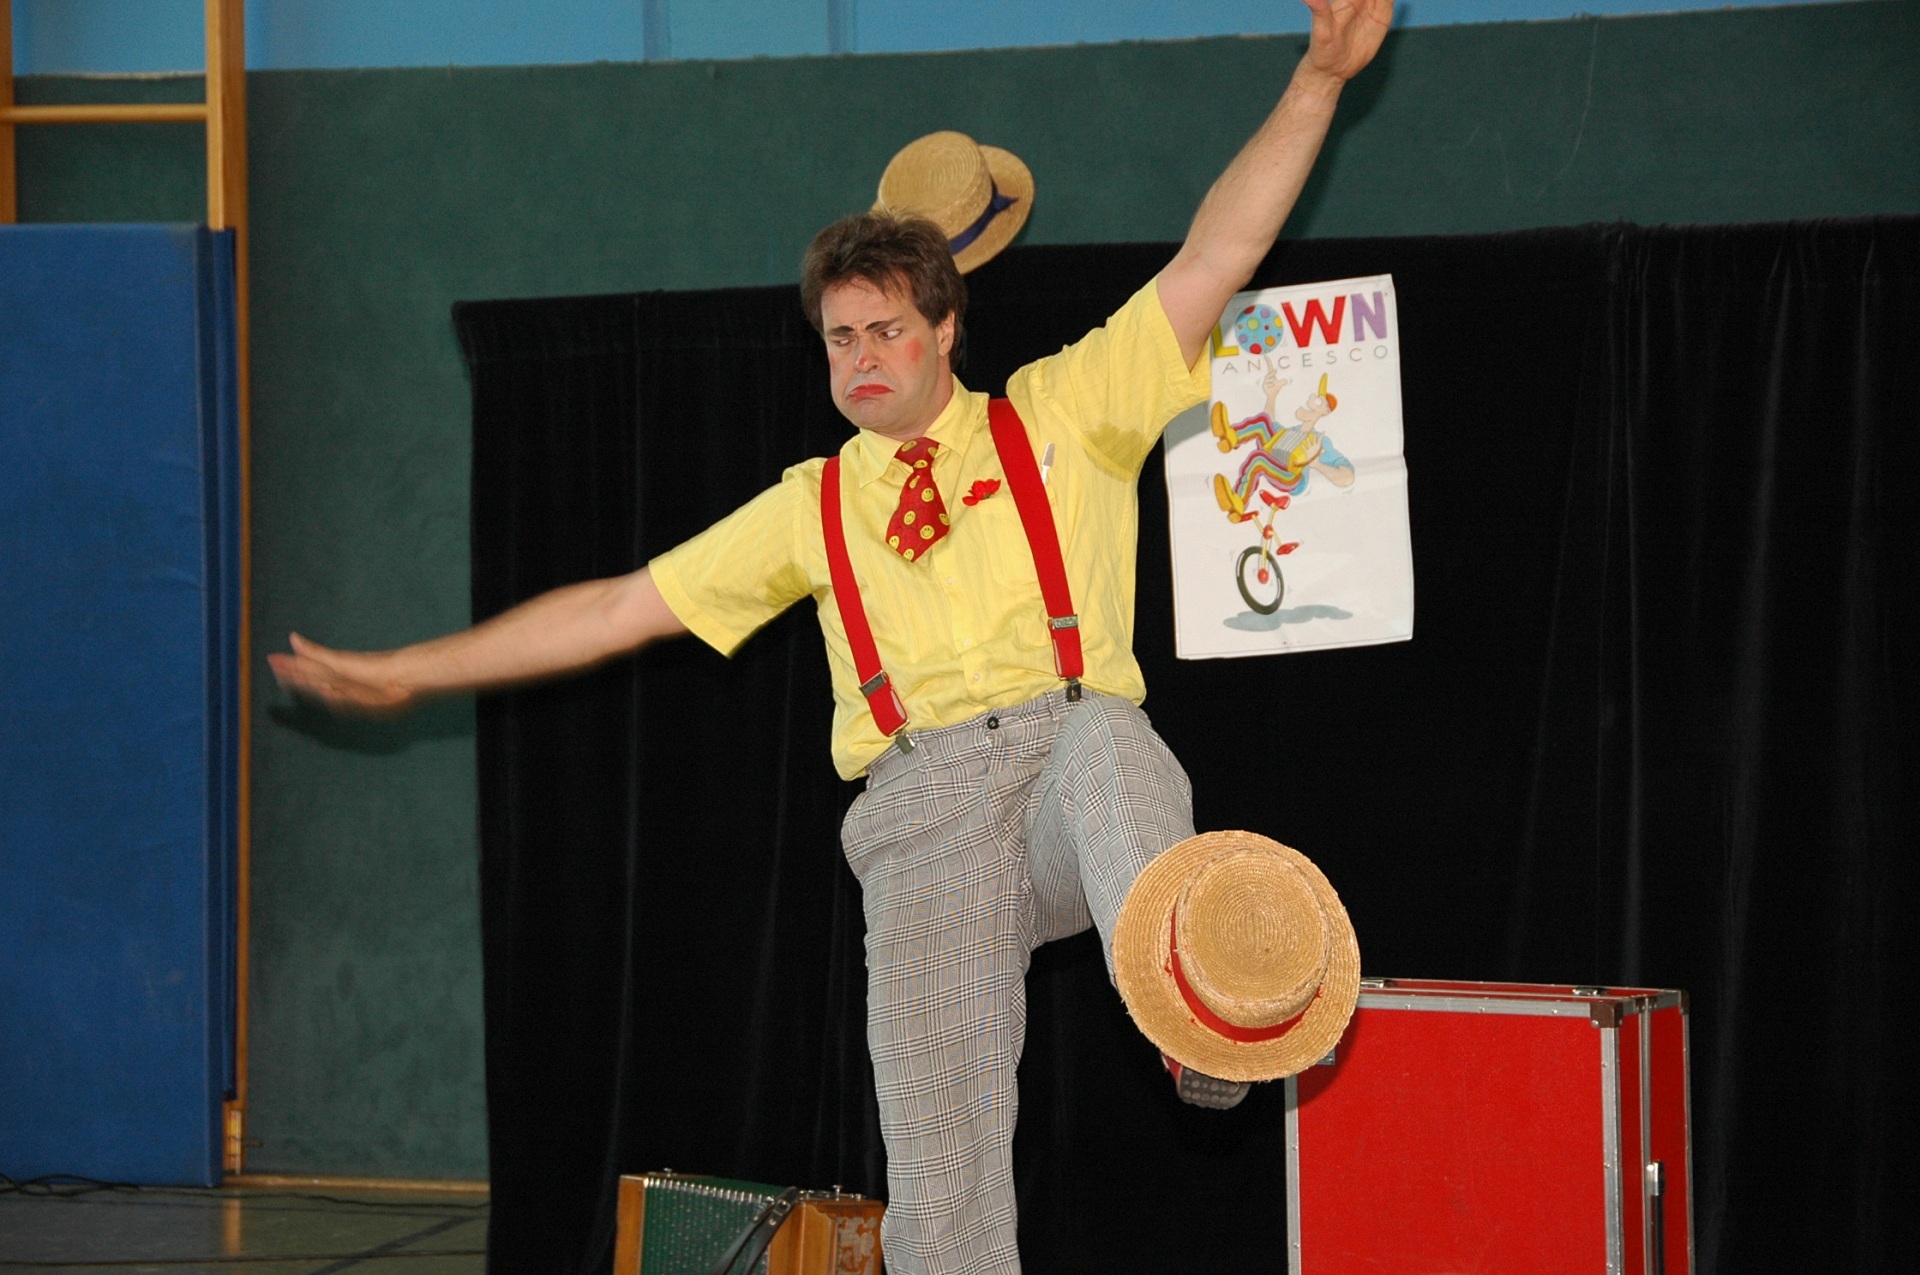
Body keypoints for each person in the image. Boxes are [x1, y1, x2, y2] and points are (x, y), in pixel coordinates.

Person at [272, 4, 1391, 1271]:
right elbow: (613, 608)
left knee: (1115, 752)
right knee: (941, 1179)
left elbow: (1218, 253)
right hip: (920, 822)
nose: (861, 358)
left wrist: (1316, 80)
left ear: (946, 327)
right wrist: (410, 671)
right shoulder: (810, 506)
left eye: (887, 330)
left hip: (1062, 762)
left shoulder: (1066, 411)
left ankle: (1199, 1008)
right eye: (840, 337)